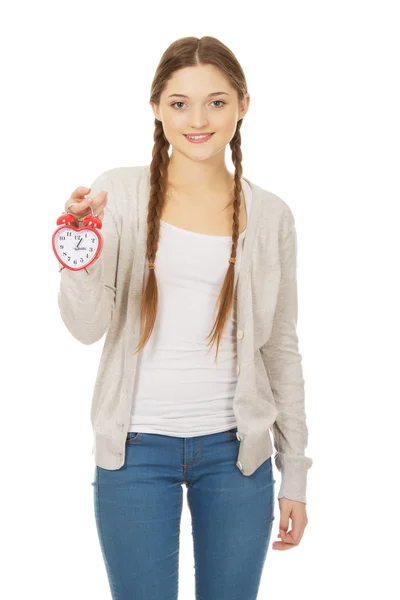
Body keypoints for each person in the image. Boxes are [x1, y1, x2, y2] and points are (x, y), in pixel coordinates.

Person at [58, 35, 312, 600]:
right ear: (156, 108)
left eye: (216, 102)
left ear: (244, 104)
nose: (198, 119)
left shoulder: (270, 215)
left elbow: (281, 348)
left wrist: (294, 470)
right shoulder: (117, 193)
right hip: (136, 450)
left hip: (235, 455)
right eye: (179, 103)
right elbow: (84, 327)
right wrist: (81, 249)